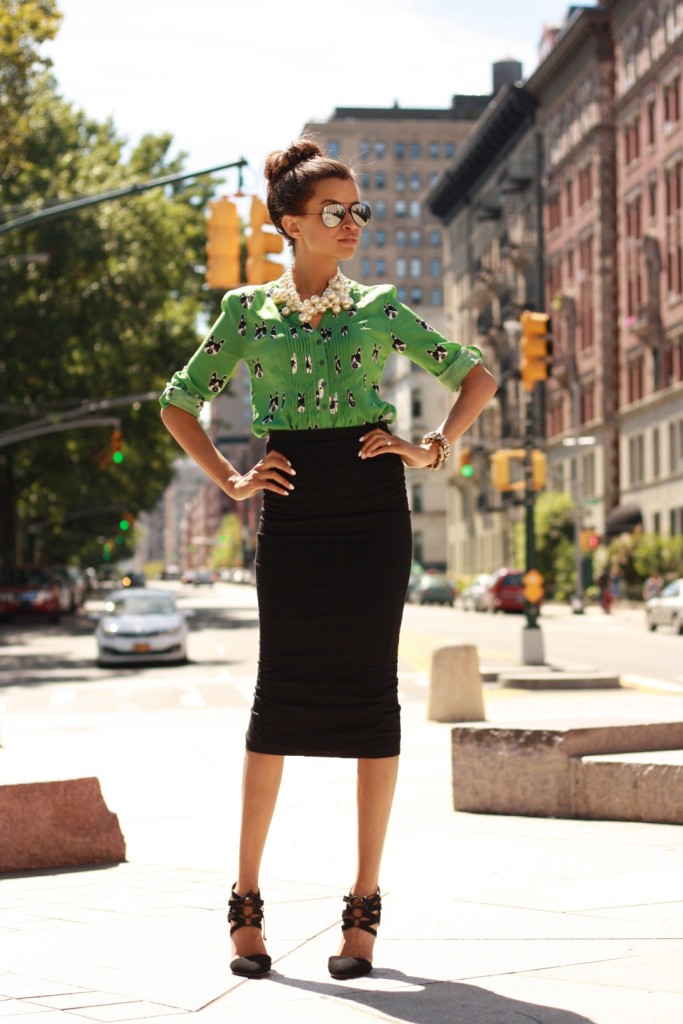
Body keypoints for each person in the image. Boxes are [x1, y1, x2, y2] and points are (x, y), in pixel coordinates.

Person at [159, 138, 497, 981]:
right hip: (294, 509)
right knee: (278, 700)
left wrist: (430, 449)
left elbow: (477, 376)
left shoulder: (379, 307)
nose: (352, 225)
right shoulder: (245, 313)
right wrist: (233, 477)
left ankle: (364, 910)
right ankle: (245, 902)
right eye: (334, 212)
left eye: (359, 211)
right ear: (289, 225)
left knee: (371, 700)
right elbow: (177, 402)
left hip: (373, 509)